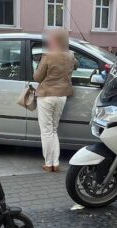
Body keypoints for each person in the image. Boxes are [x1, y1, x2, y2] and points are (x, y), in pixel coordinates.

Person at [33, 29, 77, 173]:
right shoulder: (70, 55)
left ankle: (48, 163)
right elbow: (76, 66)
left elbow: (37, 77)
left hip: (47, 96)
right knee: (53, 130)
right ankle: (55, 163)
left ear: (55, 40)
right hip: (62, 96)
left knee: (46, 131)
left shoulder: (48, 55)